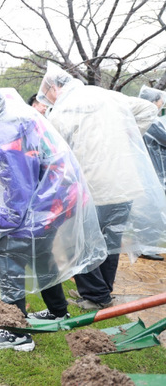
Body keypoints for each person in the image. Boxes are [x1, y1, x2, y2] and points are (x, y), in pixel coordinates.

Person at [0, 70, 107, 352]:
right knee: (40, 251)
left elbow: (15, 207)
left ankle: (16, 331)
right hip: (59, 194)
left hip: (49, 201)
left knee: (6, 252)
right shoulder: (4, 107)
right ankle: (57, 311)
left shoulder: (1, 137)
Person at [37, 63, 166, 310]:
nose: (48, 99)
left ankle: (95, 296)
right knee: (109, 241)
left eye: (47, 94)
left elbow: (57, 154)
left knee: (78, 242)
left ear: (54, 87)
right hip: (124, 184)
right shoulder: (108, 96)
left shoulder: (61, 111)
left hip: (93, 188)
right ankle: (103, 292)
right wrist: (127, 136)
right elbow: (149, 108)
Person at [136, 85, 166, 261]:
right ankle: (146, 247)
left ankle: (145, 246)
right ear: (153, 101)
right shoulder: (151, 120)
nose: (162, 104)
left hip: (149, 171)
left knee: (150, 210)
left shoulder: (141, 118)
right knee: (153, 211)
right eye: (161, 101)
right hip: (153, 173)